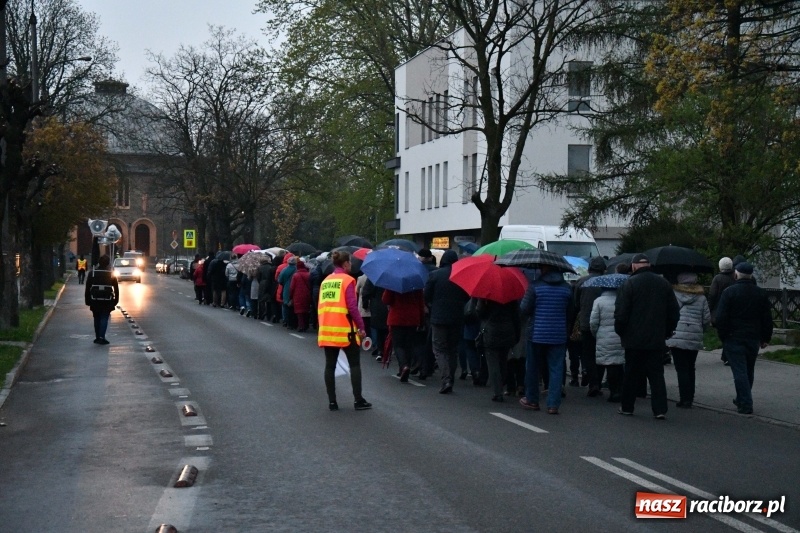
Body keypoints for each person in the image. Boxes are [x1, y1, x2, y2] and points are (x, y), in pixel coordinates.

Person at [614, 253, 680, 419]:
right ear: (649, 265)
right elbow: (674, 312)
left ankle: (627, 406)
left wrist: (621, 332)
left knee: (631, 374)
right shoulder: (663, 283)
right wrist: (667, 331)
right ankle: (659, 409)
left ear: (634, 266)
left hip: (633, 338)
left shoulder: (629, 284)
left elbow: (621, 314)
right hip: (656, 337)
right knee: (656, 375)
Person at [714, 262, 773, 415]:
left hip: (734, 336)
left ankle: (746, 403)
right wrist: (766, 337)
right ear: (751, 275)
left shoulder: (729, 292)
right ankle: (741, 398)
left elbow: (721, 317)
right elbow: (767, 318)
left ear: (736, 274)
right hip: (753, 337)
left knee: (739, 371)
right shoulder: (760, 293)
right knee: (748, 369)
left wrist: (723, 335)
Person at [317, 250, 371, 411]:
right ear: (346, 264)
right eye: (350, 262)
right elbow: (352, 308)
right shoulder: (348, 280)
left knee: (330, 366)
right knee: (354, 364)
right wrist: (361, 327)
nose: (352, 265)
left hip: (327, 329)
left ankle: (332, 402)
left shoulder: (326, 281)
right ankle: (358, 400)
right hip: (346, 329)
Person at [519, 264, 573, 414]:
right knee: (556, 369)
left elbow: (524, 309)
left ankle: (532, 400)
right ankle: (553, 404)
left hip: (536, 333)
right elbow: (570, 312)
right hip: (558, 334)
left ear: (544, 270)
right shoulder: (567, 288)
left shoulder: (535, 286)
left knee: (533, 367)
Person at [424, 250, 470, 394]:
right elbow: (467, 296)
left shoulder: (435, 275)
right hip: (456, 318)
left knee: (439, 349)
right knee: (452, 349)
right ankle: (451, 379)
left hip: (438, 317)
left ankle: (446, 379)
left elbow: (426, 295)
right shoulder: (461, 277)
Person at [666, 272, 711, 408]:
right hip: (694, 335)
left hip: (677, 336)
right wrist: (701, 330)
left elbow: (669, 314)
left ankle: (684, 398)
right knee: (691, 367)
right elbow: (707, 319)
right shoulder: (701, 298)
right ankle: (690, 397)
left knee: (681, 369)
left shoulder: (673, 295)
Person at [573, 256, 607, 395]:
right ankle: (597, 381)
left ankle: (592, 382)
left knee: (588, 354)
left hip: (586, 323)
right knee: (601, 354)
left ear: (589, 268)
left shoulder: (581, 282)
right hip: (603, 324)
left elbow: (576, 304)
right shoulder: (606, 282)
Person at [477, 298, 522, 403]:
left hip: (491, 332)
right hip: (507, 331)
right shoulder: (511, 298)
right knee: (503, 360)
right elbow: (516, 316)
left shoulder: (486, 296)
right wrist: (516, 335)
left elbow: (479, 312)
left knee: (493, 363)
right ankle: (501, 383)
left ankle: (498, 392)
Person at [589, 285, 625, 403]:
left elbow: (593, 321)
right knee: (617, 363)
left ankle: (605, 388)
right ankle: (618, 390)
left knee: (606, 362)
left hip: (603, 335)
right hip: (619, 335)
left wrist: (596, 333)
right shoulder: (622, 299)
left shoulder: (598, 301)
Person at [382, 286, 426, 383]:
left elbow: (386, 300)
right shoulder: (416, 284)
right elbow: (421, 304)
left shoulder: (393, 283)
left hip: (396, 318)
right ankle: (406, 368)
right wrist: (422, 320)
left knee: (398, 345)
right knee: (409, 345)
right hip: (412, 318)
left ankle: (404, 366)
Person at [84, 255, 119, 345]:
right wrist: (116, 300)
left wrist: (87, 300)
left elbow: (87, 288)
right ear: (108, 263)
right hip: (107, 300)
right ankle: (101, 337)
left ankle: (97, 337)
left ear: (99, 262)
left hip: (94, 300)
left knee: (96, 317)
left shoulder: (93, 273)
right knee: (104, 317)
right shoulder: (111, 274)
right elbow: (116, 288)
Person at [708, 257, 736, 365]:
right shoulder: (735, 277)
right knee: (730, 332)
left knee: (723, 333)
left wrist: (709, 310)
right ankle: (727, 354)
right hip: (733, 310)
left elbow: (712, 295)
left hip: (719, 310)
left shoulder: (717, 279)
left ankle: (727, 354)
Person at [290, 259, 312, 331]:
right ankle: (306, 325)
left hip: (297, 295)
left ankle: (301, 326)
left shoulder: (296, 275)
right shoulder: (308, 274)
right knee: (306, 310)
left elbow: (292, 287)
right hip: (307, 294)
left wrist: (290, 296)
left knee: (299, 311)